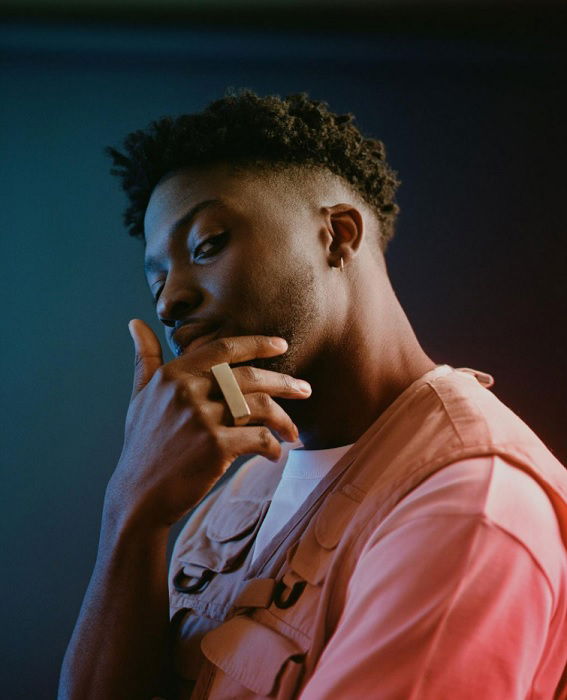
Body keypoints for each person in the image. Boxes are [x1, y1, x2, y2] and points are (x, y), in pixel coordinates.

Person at [59, 89, 567, 699]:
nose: (170, 303)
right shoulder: (251, 477)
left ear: (336, 235)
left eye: (207, 245)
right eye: (158, 277)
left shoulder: (468, 503)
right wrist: (132, 513)